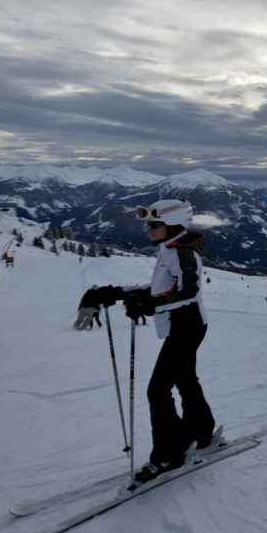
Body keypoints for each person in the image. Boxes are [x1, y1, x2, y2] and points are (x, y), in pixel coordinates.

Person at [82, 199, 216, 483]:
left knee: (158, 390)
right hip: (184, 324)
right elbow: (159, 288)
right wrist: (115, 292)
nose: (149, 229)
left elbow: (188, 292)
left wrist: (150, 305)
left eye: (154, 224)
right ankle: (201, 432)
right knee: (185, 379)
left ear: (173, 225)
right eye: (148, 224)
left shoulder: (183, 253)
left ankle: (170, 453)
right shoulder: (169, 249)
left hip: (187, 325)